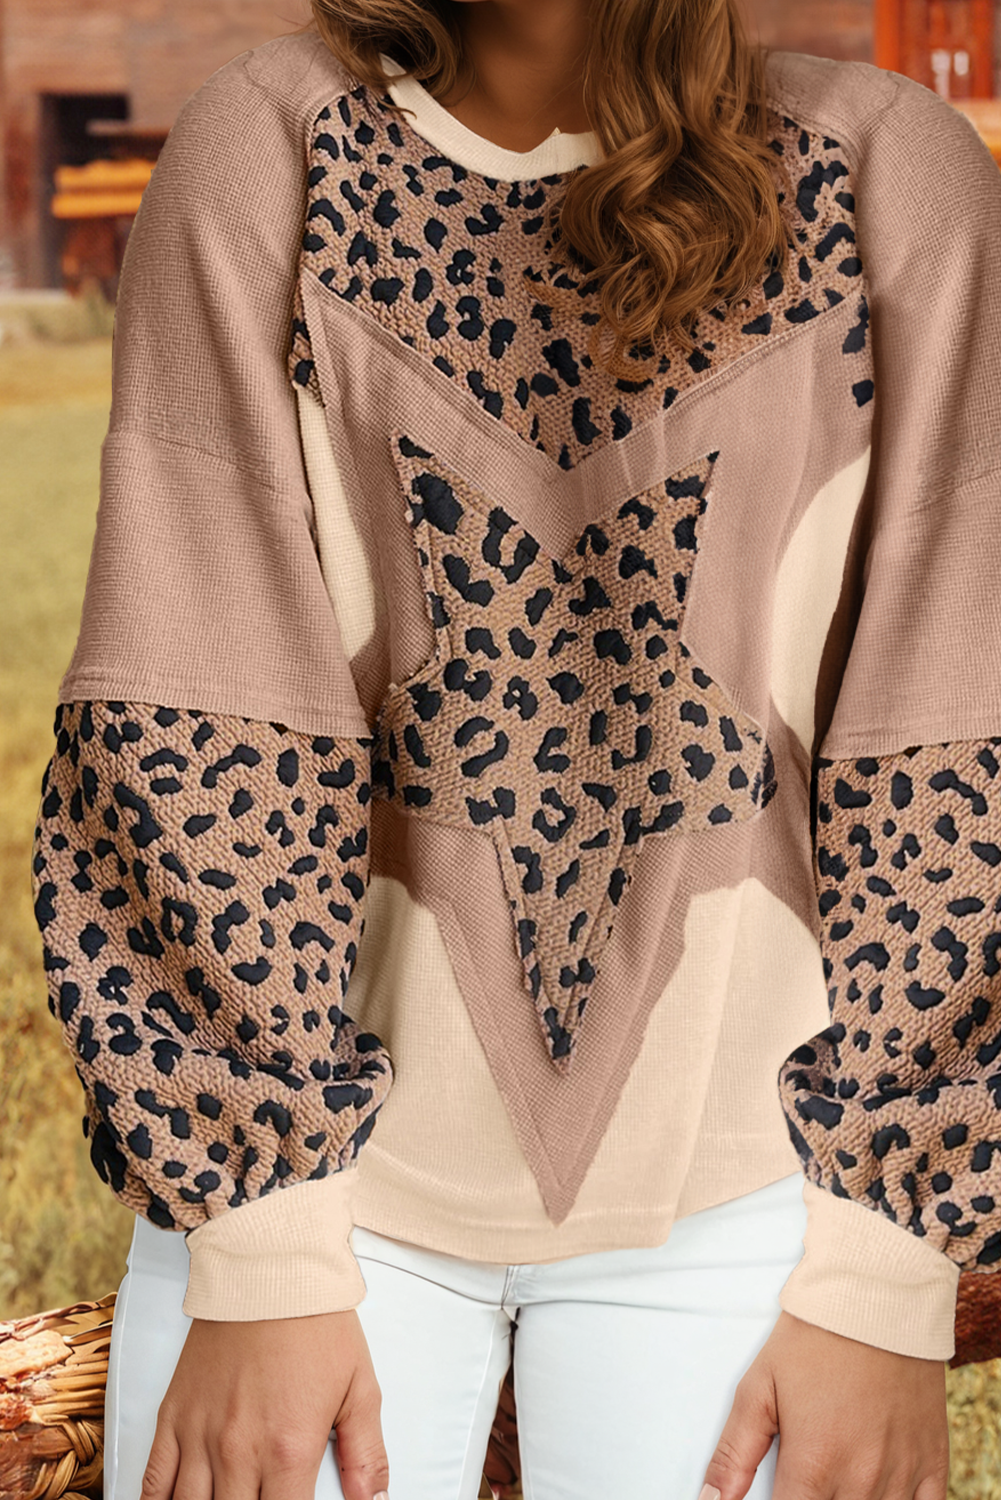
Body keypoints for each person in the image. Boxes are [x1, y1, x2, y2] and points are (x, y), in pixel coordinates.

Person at [28, 0, 1001, 1496]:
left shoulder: (885, 168)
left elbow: (959, 722)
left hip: (762, 1193)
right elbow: (189, 702)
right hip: (327, 1187)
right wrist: (265, 1243)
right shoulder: (274, 141)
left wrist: (885, 1272)